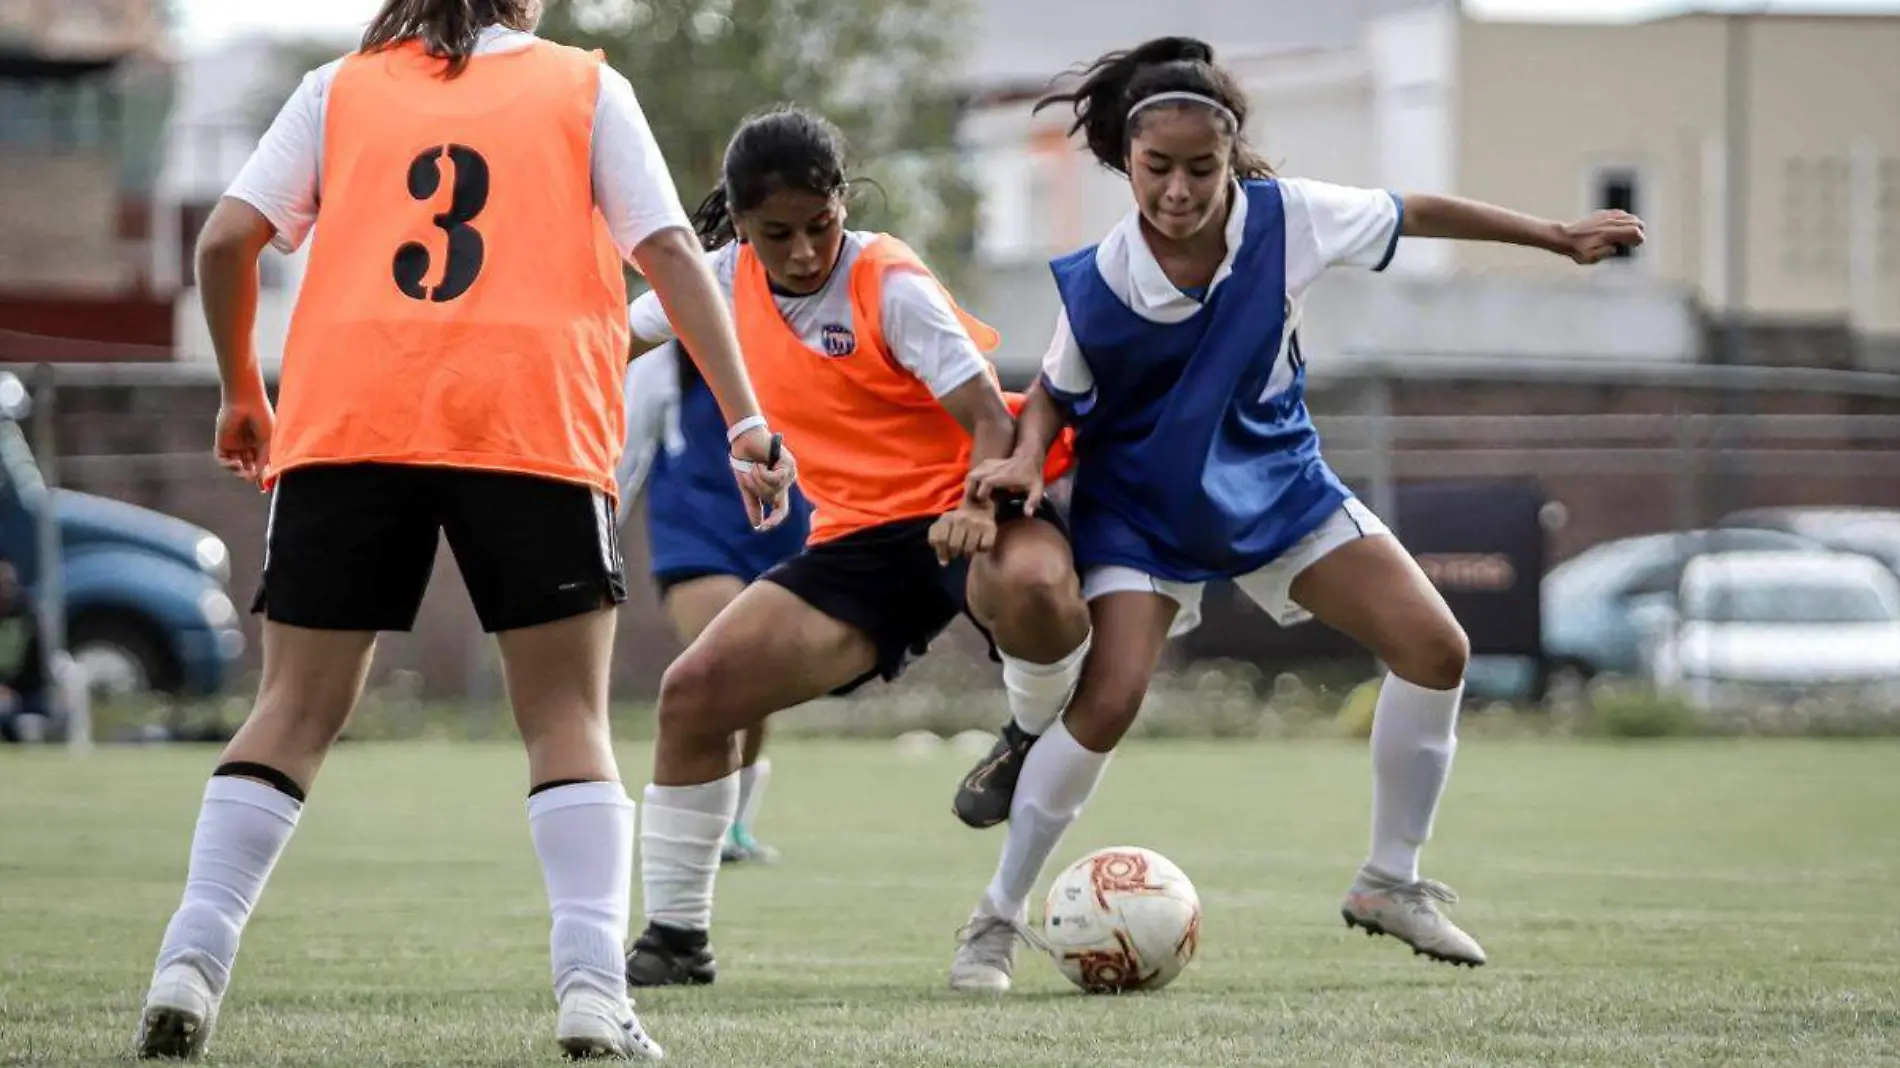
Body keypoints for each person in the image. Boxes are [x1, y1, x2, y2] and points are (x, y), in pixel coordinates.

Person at [132, 1, 792, 1060]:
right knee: (566, 719)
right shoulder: (584, 87)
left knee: (293, 709)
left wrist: (239, 394)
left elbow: (223, 241)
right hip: (526, 421)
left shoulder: (338, 88)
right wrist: (749, 419)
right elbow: (668, 250)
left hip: (349, 419)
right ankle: (589, 991)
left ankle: (189, 963)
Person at [948, 35, 1646, 987]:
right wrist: (1025, 460)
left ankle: (1389, 881)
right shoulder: (1103, 278)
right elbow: (1055, 396)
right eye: (1158, 169)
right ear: (1127, 163)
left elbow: (1417, 211)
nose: (1181, 190)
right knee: (1106, 704)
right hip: (1144, 508)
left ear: (1230, 157)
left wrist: (1554, 235)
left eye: (1203, 168)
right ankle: (995, 917)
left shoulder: (1292, 218)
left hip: (1279, 482)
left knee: (1437, 649)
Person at [618, 105, 1093, 991]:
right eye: (777, 234)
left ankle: (1026, 737)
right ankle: (676, 941)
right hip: (860, 542)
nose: (803, 252)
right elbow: (610, 331)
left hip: (972, 502)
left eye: (819, 226)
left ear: (844, 203)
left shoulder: (891, 283)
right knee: (693, 695)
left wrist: (976, 509)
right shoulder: (716, 277)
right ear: (740, 224)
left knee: (1032, 586)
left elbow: (991, 419)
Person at [615, 340, 813, 866]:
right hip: (695, 533)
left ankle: (734, 826)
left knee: (760, 685)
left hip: (782, 534)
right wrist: (596, 538)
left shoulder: (804, 341)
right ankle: (696, 825)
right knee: (726, 667)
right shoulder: (665, 359)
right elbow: (626, 451)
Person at [0, 561, 48, 744]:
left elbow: (37, 664)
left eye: (9, 585)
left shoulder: (28, 616)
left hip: (24, 691)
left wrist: (12, 688)